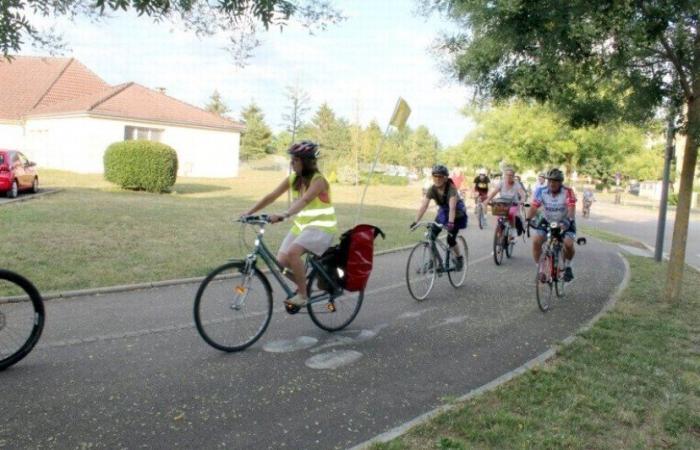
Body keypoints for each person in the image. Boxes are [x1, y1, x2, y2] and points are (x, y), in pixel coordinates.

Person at [242, 140, 337, 307]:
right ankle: (303, 284)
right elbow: (272, 196)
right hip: (302, 226)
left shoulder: (319, 181)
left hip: (322, 227)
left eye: (295, 160)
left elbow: (306, 199)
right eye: (291, 160)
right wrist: (249, 213)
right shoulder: (294, 179)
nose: (292, 163)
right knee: (281, 261)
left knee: (293, 253)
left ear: (306, 161)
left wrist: (284, 214)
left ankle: (302, 294)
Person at [412, 164, 467, 270]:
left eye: (440, 176)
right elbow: (424, 205)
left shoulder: (451, 189)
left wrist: (450, 224)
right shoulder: (432, 189)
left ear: (445, 178)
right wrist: (416, 221)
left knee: (450, 240)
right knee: (431, 236)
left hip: (456, 214)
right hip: (443, 213)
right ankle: (435, 261)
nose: (437, 179)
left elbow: (452, 208)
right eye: (435, 176)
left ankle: (459, 258)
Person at [526, 168, 577, 281]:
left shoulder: (568, 191)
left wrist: (567, 221)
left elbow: (571, 209)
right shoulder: (541, 191)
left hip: (565, 221)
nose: (551, 184)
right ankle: (540, 270)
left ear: (560, 182)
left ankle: (568, 266)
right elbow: (534, 206)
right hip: (547, 221)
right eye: (549, 181)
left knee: (568, 244)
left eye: (554, 181)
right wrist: (528, 218)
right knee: (536, 241)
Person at [482, 166, 528, 239]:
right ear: (505, 176)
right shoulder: (502, 183)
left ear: (513, 176)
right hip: (503, 204)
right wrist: (487, 200)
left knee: (511, 214)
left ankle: (513, 230)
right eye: (507, 175)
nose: (509, 176)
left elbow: (522, 193)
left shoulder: (516, 184)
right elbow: (494, 192)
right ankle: (499, 238)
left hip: (514, 204)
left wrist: (522, 200)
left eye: (511, 175)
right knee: (499, 219)